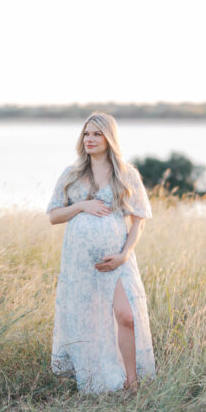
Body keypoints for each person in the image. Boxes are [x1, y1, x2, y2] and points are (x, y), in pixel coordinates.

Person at [46, 112, 156, 393]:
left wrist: (124, 254)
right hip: (81, 264)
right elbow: (54, 215)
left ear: (109, 138)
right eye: (86, 134)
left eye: (96, 134)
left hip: (118, 260)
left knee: (126, 315)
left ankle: (132, 384)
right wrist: (82, 206)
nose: (90, 139)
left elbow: (138, 221)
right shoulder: (72, 175)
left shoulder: (127, 174)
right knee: (89, 321)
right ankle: (96, 379)